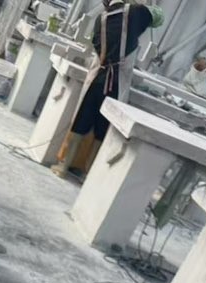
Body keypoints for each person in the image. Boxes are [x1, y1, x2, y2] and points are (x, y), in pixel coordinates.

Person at [52, 1, 159, 179]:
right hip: (117, 85)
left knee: (81, 122)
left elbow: (96, 44)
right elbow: (157, 17)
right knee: (103, 129)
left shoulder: (100, 19)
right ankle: (88, 173)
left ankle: (64, 166)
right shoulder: (137, 12)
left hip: (98, 79)